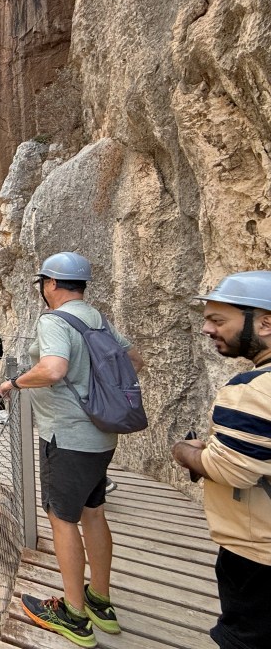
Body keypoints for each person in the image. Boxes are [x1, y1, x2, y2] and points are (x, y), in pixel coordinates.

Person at [0, 252, 144, 648]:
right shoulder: (96, 318)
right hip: (101, 438)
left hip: (67, 438)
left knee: (62, 519)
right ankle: (100, 599)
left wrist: (15, 383)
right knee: (93, 514)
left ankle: (74, 615)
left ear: (50, 284)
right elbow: (134, 359)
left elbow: (54, 369)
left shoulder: (53, 321)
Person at [172, 271, 271, 649]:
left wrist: (185, 452)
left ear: (264, 322)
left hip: (256, 552)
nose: (207, 329)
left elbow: (231, 468)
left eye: (218, 320)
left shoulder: (252, 391)